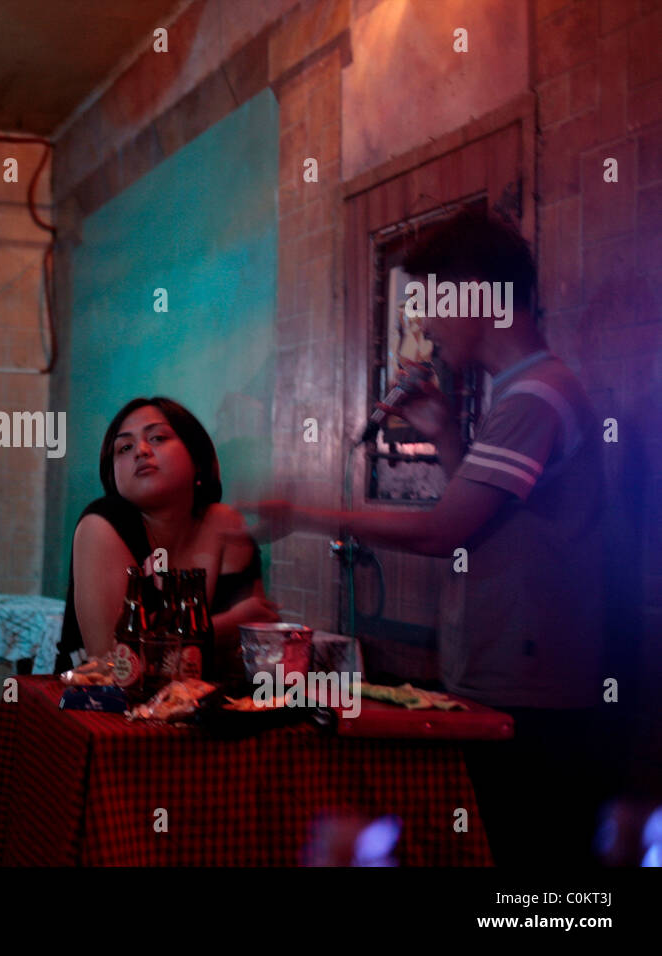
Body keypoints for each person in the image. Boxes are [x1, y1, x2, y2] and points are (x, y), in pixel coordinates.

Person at [246, 210, 613, 866]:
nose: (428, 327)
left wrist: (303, 513)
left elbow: (445, 532)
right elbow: (493, 525)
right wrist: (446, 438)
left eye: (434, 303)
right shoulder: (521, 393)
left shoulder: (535, 396)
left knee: (538, 871)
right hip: (508, 675)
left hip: (535, 691)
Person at [54, 396, 280, 677]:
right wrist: (225, 626)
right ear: (113, 475)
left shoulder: (224, 524)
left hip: (198, 708)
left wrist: (205, 635)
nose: (141, 451)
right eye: (124, 447)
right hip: (95, 710)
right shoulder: (101, 524)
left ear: (197, 458)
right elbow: (114, 664)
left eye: (158, 438)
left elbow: (253, 645)